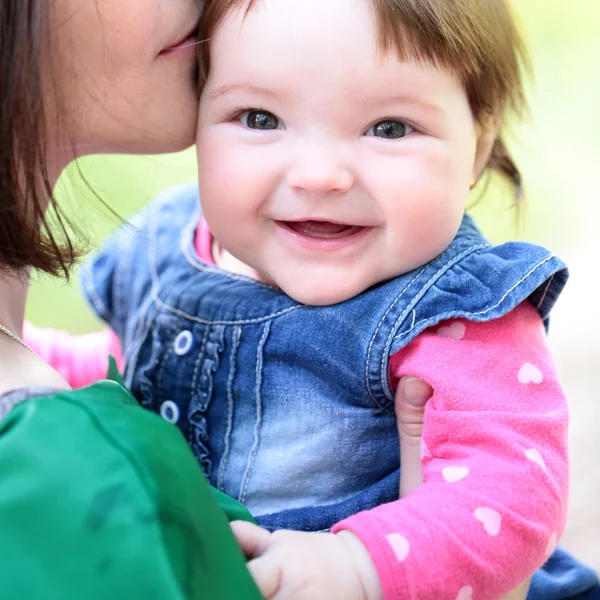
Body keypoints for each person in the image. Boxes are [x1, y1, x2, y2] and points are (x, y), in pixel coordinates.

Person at [31, 0, 597, 599]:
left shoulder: (457, 314)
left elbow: (510, 495)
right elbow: (133, 379)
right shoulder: (173, 246)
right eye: (259, 117)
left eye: (389, 128)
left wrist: (361, 564)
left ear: (478, 146)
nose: (320, 175)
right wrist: (31, 366)